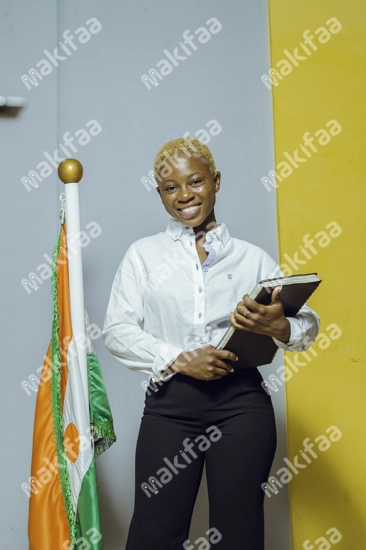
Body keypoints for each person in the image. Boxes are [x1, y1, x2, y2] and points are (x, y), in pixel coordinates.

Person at [102, 137, 320, 550]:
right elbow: (117, 330)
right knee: (154, 532)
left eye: (195, 181)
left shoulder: (252, 258)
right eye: (170, 187)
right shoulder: (143, 256)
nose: (184, 195)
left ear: (216, 181)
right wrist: (181, 359)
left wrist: (279, 327)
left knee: (237, 533)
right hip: (170, 407)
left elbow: (306, 324)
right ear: (160, 192)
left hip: (241, 405)